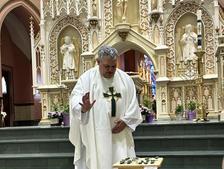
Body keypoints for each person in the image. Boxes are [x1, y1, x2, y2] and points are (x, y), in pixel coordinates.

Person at [69, 45, 142, 169]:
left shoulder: (125, 79)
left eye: (114, 66)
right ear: (98, 62)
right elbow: (75, 98)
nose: (110, 70)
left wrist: (126, 121)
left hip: (120, 136)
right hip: (96, 135)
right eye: (106, 66)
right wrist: (83, 108)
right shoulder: (87, 79)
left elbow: (133, 105)